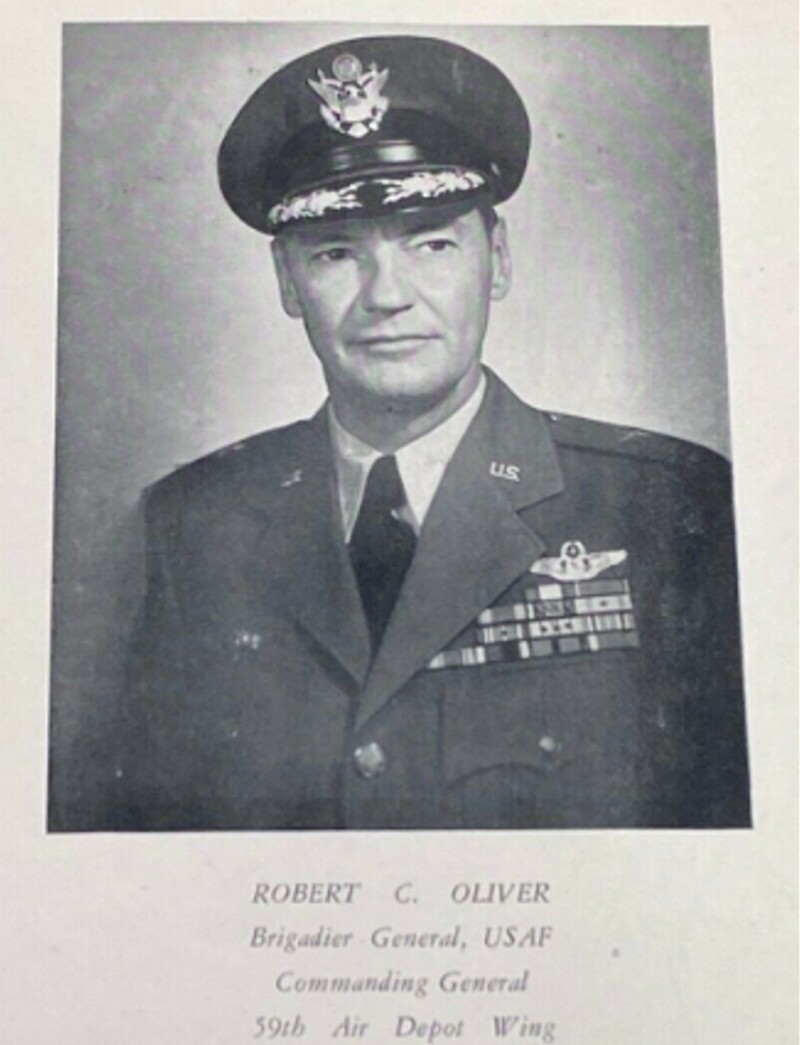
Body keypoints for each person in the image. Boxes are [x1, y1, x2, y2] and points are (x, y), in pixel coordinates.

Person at [103, 34, 750, 830]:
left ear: (498, 259)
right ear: (287, 282)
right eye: (336, 253)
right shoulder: (193, 523)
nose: (387, 296)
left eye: (432, 242)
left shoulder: (665, 504)